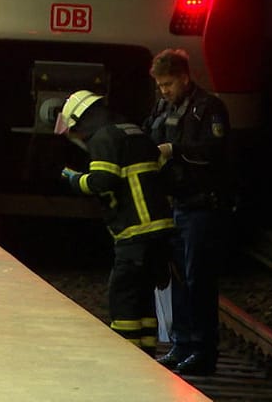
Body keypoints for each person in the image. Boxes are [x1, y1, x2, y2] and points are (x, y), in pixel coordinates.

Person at [56, 90, 174, 354]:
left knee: (123, 300)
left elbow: (101, 181)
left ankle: (127, 359)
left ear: (81, 119)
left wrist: (73, 179)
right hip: (158, 231)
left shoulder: (104, 137)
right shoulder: (131, 130)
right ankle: (146, 356)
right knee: (143, 301)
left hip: (135, 233)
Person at [145, 48, 231, 376]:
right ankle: (182, 344)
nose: (164, 91)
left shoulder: (208, 108)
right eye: (160, 85)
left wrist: (174, 150)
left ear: (184, 77)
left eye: (168, 84)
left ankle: (203, 350)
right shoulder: (164, 107)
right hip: (176, 205)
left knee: (199, 280)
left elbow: (214, 151)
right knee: (179, 279)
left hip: (201, 205)